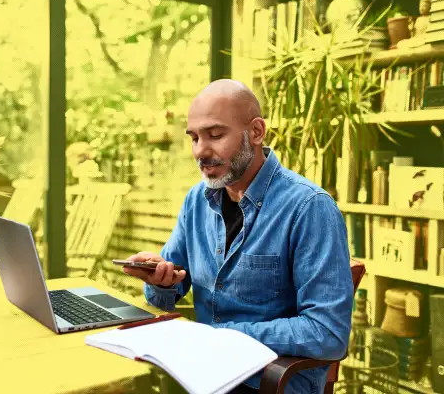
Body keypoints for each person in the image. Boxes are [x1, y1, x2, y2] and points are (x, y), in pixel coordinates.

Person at [123, 79, 354, 394]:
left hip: (267, 382)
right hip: (205, 375)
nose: (201, 152)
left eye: (215, 135)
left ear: (256, 133)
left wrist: (225, 336)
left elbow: (328, 332)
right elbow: (169, 291)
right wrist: (160, 281)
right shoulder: (196, 201)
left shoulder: (310, 208)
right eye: (194, 138)